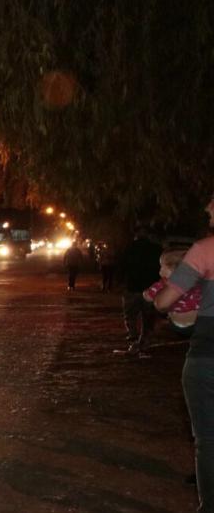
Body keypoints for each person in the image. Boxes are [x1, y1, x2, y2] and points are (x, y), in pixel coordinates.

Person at [155, 193, 214, 512]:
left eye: (213, 202)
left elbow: (165, 301)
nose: (207, 207)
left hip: (208, 357)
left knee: (209, 441)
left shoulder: (205, 250)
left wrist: (156, 300)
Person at [120, 226, 162, 354]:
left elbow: (122, 265)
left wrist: (121, 281)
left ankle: (133, 336)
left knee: (130, 314)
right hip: (150, 287)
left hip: (132, 286)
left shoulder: (129, 247)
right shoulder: (156, 249)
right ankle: (144, 341)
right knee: (148, 316)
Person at [143, 249, 200, 338]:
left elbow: (148, 297)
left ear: (173, 269)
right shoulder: (196, 281)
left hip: (180, 321)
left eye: (162, 267)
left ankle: (162, 323)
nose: (160, 271)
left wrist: (145, 293)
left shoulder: (164, 283)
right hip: (198, 320)